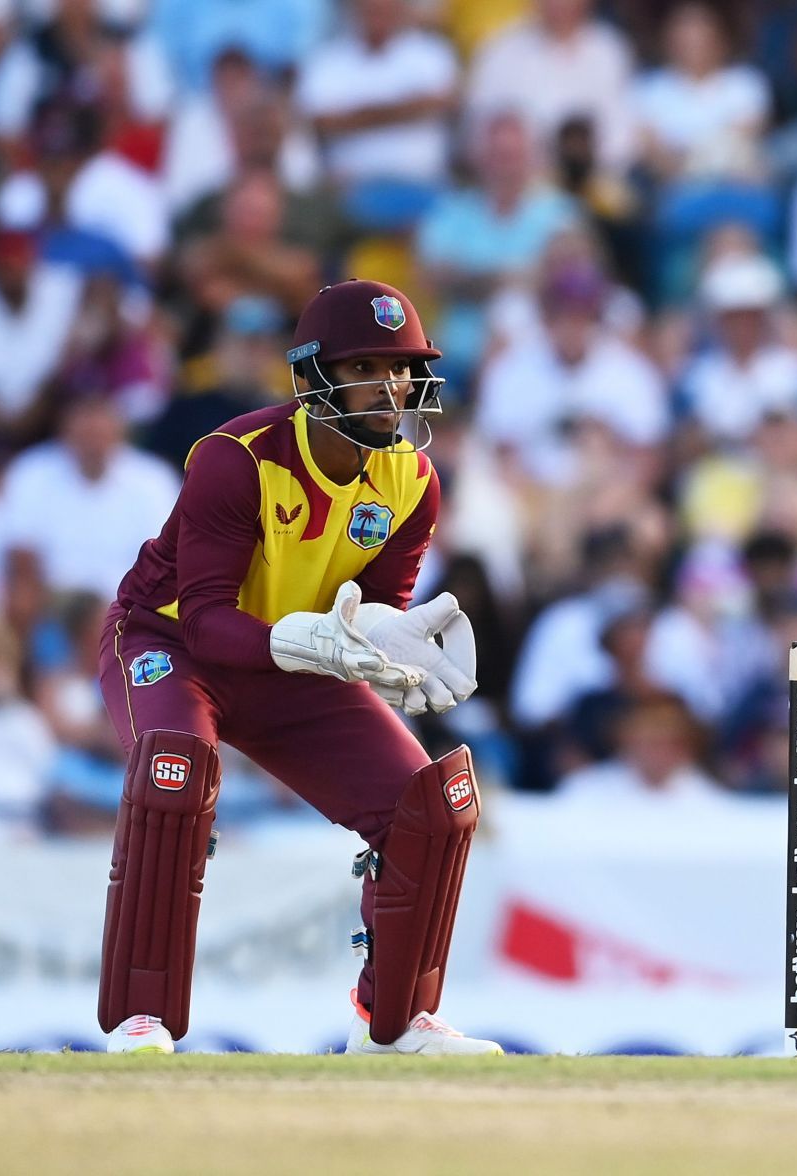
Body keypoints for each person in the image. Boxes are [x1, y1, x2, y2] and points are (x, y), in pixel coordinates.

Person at [94, 280, 496, 1057]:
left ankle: (394, 1023)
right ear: (314, 380)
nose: (394, 387)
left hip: (295, 661)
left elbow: (370, 605)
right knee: (174, 772)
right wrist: (308, 642)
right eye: (369, 367)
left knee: (430, 806)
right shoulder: (234, 459)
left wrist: (392, 643)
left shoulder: (414, 483)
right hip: (167, 642)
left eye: (404, 367)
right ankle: (142, 1018)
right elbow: (207, 619)